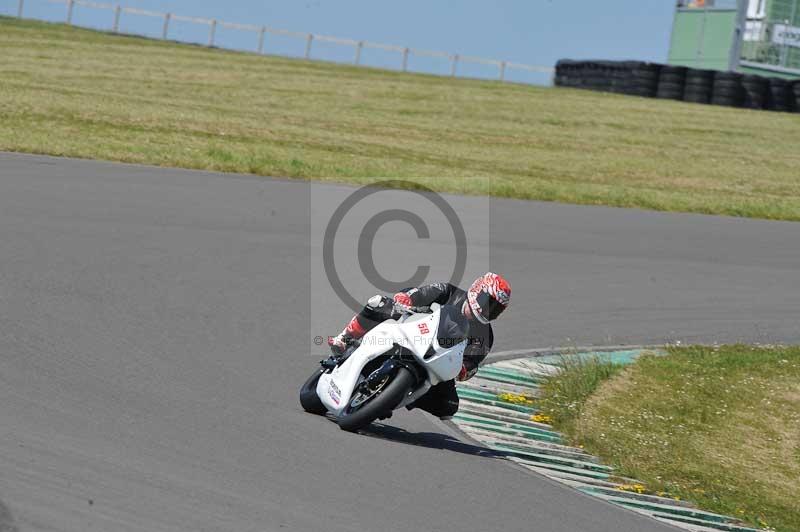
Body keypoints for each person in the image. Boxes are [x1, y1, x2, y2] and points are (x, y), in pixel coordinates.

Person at [327, 272, 511, 419]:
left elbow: (472, 362)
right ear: (476, 291)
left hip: (435, 360)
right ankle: (344, 338)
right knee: (378, 303)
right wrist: (407, 299)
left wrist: (465, 369)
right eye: (488, 303)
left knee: (449, 407)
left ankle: (400, 396)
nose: (489, 310)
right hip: (410, 331)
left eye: (496, 309)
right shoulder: (447, 291)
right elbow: (418, 294)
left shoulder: (486, 336)